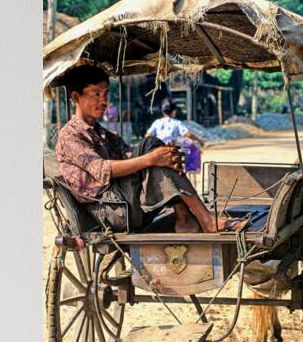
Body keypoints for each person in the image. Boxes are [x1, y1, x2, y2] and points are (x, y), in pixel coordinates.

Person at [54, 67, 236, 233]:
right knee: (150, 147)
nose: (103, 101)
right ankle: (202, 219)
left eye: (106, 94)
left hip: (126, 201)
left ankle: (184, 216)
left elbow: (130, 156)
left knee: (156, 149)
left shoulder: (107, 135)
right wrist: (152, 158)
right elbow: (102, 169)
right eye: (96, 94)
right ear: (76, 97)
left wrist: (164, 156)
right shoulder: (70, 136)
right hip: (110, 210)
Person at [146, 98, 201, 175]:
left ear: (162, 111)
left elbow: (147, 136)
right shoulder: (177, 123)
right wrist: (200, 141)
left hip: (158, 150)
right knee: (192, 147)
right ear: (174, 111)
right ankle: (193, 172)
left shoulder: (157, 122)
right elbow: (189, 135)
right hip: (172, 151)